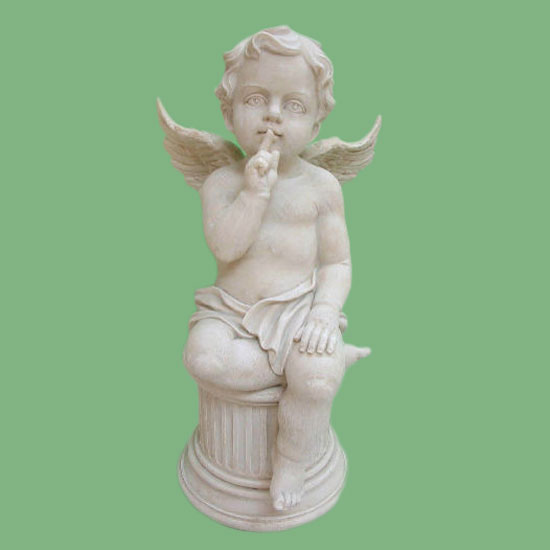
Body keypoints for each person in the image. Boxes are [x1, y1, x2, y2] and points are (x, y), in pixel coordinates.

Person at [183, 26, 369, 511]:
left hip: (297, 313)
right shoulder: (222, 183)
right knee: (201, 359)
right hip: (230, 312)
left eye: (294, 105)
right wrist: (255, 194)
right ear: (228, 112)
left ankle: (292, 456)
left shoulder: (322, 187)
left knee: (315, 378)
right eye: (255, 99)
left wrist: (324, 313)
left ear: (317, 123)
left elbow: (338, 262)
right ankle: (321, 365)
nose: (273, 115)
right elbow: (227, 247)